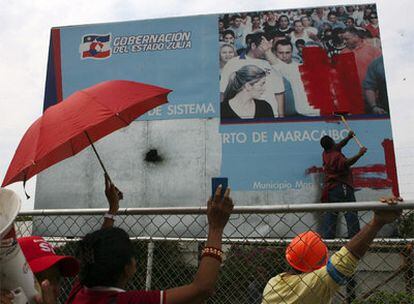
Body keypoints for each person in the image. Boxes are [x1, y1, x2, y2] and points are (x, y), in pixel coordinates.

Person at [65, 185, 234, 304]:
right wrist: (216, 227)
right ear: (127, 268)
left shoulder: (78, 293)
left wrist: (112, 210)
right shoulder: (129, 301)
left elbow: (96, 248)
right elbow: (201, 289)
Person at [262, 197, 403, 304]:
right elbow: (345, 260)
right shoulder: (314, 284)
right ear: (321, 261)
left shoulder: (273, 283)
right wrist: (377, 222)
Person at [220, 32, 285, 118]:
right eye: (264, 47)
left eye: (269, 47)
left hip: (269, 113)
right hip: (241, 114)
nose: (267, 50)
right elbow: (223, 91)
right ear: (253, 46)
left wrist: (281, 118)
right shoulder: (234, 63)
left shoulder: (272, 64)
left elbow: (279, 92)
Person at [320, 132, 367, 239]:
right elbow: (347, 163)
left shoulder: (326, 153)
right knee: (350, 211)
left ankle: (328, 238)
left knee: (331, 213)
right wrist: (360, 154)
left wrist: (348, 138)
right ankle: (355, 238)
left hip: (331, 189)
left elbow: (339, 145)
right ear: (332, 143)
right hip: (342, 187)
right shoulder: (336, 156)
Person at [266, 39, 319, 116]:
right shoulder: (296, 69)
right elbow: (277, 64)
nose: (284, 56)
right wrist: (267, 51)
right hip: (301, 116)